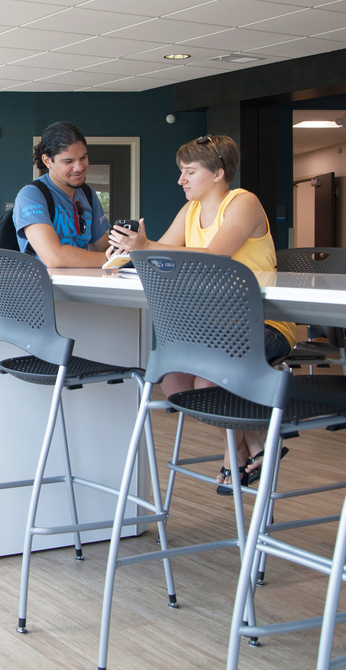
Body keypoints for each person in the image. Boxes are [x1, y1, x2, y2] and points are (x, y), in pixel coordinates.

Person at [106, 135, 297, 494]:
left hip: (262, 325)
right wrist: (131, 251)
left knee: (209, 385)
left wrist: (146, 246)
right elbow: (163, 252)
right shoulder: (190, 210)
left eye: (190, 172)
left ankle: (232, 454)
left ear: (218, 173)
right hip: (216, 330)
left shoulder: (243, 202)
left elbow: (215, 255)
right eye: (182, 172)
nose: (181, 180)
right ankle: (254, 441)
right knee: (176, 384)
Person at [14, 121, 112, 266]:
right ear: (47, 161)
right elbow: (54, 257)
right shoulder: (31, 195)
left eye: (83, 157)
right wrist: (108, 259)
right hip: (43, 287)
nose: (79, 167)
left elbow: (104, 249)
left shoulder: (88, 194)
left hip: (83, 287)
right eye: (68, 161)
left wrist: (129, 246)